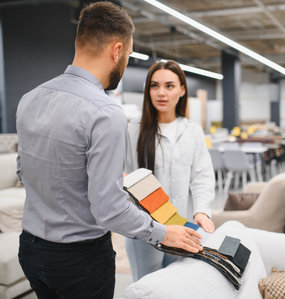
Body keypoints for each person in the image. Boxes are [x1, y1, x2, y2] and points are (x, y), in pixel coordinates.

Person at [16, 3, 201, 298]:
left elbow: (24, 173)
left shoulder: (29, 99)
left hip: (31, 251)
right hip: (79, 260)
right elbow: (109, 209)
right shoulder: (105, 112)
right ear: (117, 51)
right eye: (127, 55)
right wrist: (163, 232)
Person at [125, 60, 216, 281]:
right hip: (146, 232)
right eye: (154, 86)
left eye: (169, 86)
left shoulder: (193, 131)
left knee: (177, 285)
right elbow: (120, 175)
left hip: (183, 228)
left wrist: (202, 210)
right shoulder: (132, 129)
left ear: (182, 90)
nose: (161, 93)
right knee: (147, 289)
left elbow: (202, 177)